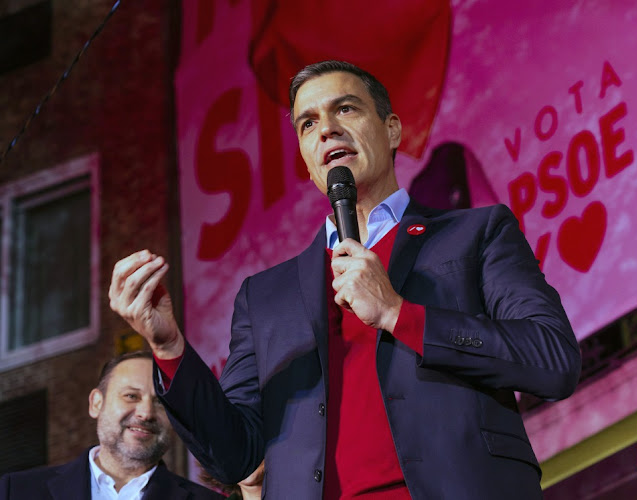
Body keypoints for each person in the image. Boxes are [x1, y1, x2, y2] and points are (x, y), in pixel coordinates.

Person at [109, 60, 581, 499]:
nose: (326, 128)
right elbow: (235, 456)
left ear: (392, 129)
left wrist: (399, 313)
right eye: (308, 123)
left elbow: (552, 359)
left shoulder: (475, 233)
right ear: (305, 157)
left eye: (346, 108)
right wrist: (169, 346)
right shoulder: (265, 297)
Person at [0, 351, 223, 500]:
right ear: (96, 403)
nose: (146, 413)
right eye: (131, 396)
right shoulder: (17, 491)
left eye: (160, 403)